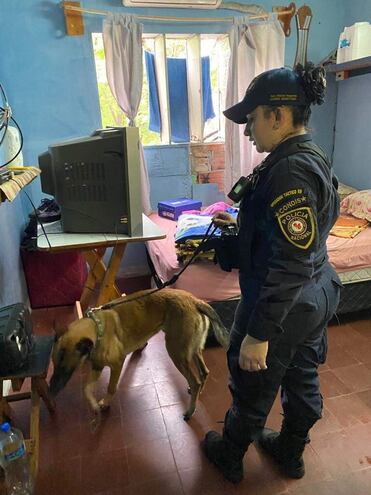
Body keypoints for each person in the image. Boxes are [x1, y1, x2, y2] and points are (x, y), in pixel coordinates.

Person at [202, 63, 342, 483]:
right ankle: (290, 451)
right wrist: (242, 231)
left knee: (252, 380)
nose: (247, 131)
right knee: (301, 372)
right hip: (312, 294)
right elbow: (294, 238)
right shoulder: (304, 156)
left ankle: (230, 453)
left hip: (282, 301)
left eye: (252, 119)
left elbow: (290, 262)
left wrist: (259, 335)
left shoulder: (290, 171)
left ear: (278, 115)